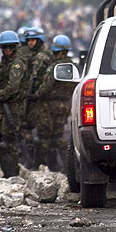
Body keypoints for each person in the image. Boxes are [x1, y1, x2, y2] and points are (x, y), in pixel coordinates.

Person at [32, 35, 77, 171]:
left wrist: (35, 96)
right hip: (64, 106)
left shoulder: (55, 67)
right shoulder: (72, 67)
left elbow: (46, 86)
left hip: (48, 106)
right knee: (58, 135)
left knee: (45, 136)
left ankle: (42, 165)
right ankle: (66, 164)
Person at [0, 31, 26, 178]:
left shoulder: (17, 64)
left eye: (10, 47)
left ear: (15, 47)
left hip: (14, 106)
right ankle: (8, 175)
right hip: (5, 106)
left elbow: (13, 87)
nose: (8, 50)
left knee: (7, 143)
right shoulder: (5, 63)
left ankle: (13, 176)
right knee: (0, 141)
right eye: (5, 47)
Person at [21, 27, 53, 167]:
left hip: (40, 99)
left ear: (39, 41)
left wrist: (32, 94)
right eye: (28, 40)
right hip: (37, 97)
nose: (30, 43)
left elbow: (34, 78)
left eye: (33, 40)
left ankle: (39, 161)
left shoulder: (41, 57)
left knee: (41, 131)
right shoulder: (36, 55)